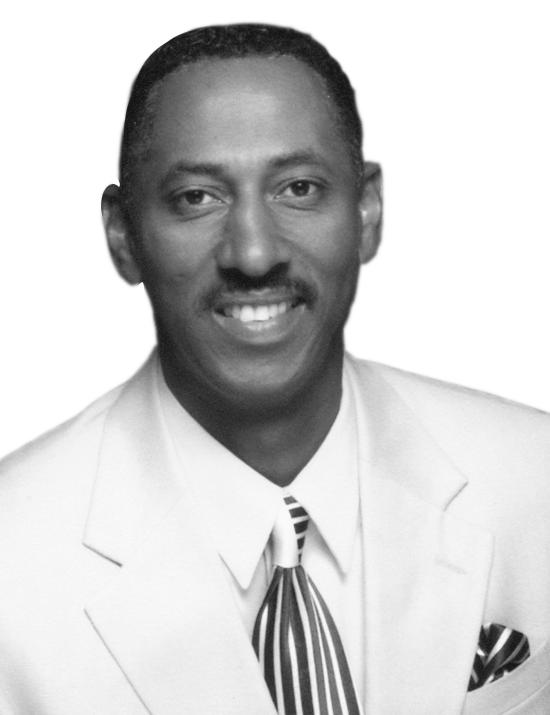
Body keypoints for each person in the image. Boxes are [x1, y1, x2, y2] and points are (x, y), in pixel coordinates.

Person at [0, 23, 548, 715]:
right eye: (197, 197)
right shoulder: (11, 562)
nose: (254, 253)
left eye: (298, 187)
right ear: (122, 233)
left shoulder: (537, 479)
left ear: (367, 210)